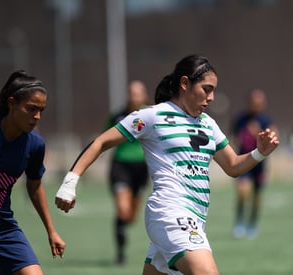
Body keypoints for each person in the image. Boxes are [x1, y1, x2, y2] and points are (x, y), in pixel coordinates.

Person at [55, 54, 279, 275]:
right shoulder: (153, 116)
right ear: (184, 83)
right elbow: (101, 142)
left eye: (213, 90)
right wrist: (70, 182)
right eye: (207, 89)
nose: (211, 97)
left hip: (195, 218)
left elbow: (233, 166)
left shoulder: (208, 123)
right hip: (170, 213)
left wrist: (260, 153)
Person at [0, 70, 66, 275]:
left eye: (41, 111)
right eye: (31, 109)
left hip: (3, 223)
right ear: (12, 103)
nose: (36, 117)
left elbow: (34, 187)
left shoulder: (35, 144)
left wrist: (51, 231)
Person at [105, 80, 150, 265]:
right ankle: (120, 253)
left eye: (138, 93)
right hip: (121, 166)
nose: (134, 96)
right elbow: (105, 138)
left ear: (144, 95)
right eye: (131, 93)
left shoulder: (152, 115)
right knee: (123, 211)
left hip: (142, 168)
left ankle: (123, 229)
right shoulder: (117, 116)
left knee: (131, 217)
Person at [231, 88, 276, 239]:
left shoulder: (266, 121)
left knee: (257, 196)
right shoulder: (240, 119)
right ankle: (239, 223)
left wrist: (260, 133)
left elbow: (275, 138)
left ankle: (252, 224)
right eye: (254, 102)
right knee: (242, 192)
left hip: (260, 164)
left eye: (260, 102)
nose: (257, 105)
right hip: (244, 161)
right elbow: (233, 137)